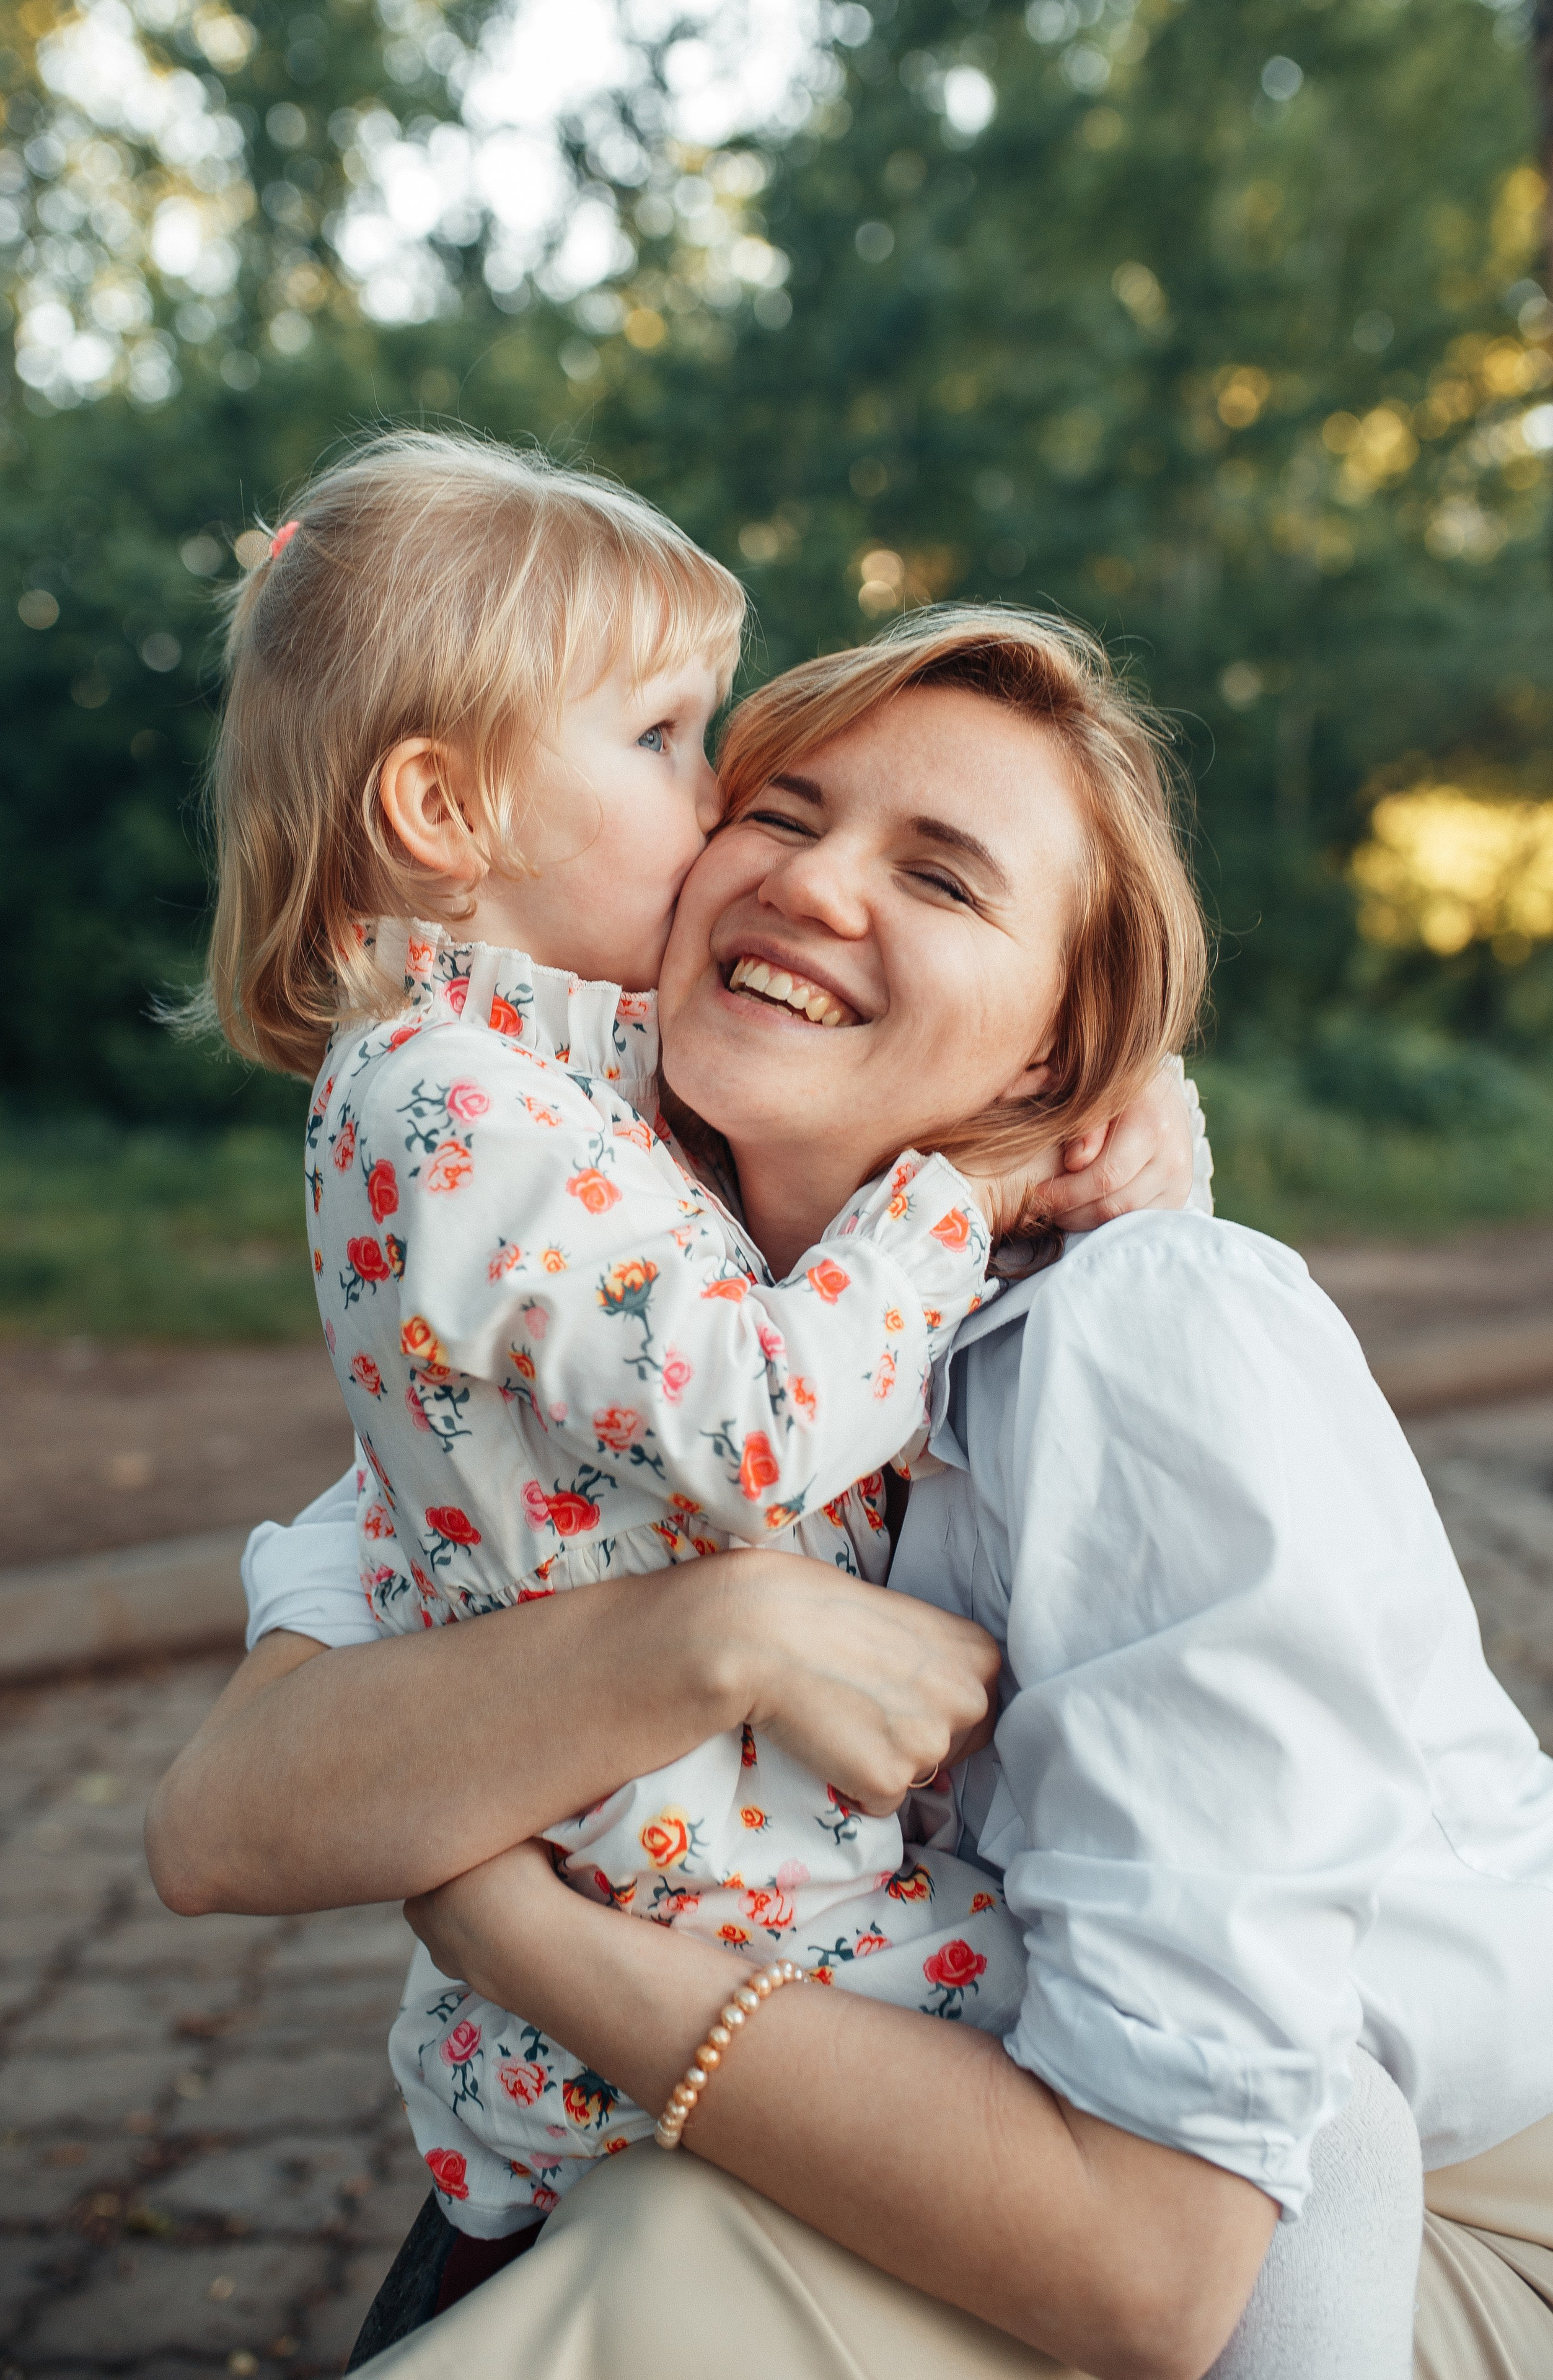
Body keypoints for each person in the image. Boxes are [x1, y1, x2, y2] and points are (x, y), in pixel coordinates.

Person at [152, 607, 1547, 2377]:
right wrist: (722, 1627)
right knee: (640, 2213)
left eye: (946, 881)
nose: (819, 887)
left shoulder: (1142, 1327)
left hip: (1411, 2216)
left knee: (662, 2231)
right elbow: (228, 1823)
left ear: (1056, 1056)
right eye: (784, 813)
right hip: (1048, 2143)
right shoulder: (619, 1311)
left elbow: (1167, 2259)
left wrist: (510, 1923)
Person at [188, 434, 1205, 2244]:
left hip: (725, 1893)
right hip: (717, 1927)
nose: (725, 788)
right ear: (448, 814)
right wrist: (967, 1188)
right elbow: (753, 1421)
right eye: (669, 740)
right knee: (1174, 2094)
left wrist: (1106, 1116)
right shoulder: (459, 1108)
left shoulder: (565, 1094)